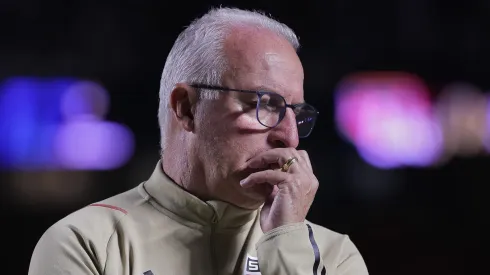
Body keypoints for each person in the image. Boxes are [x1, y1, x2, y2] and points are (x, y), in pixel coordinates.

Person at [28, 7, 368, 275]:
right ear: (187, 108)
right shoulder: (84, 244)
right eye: (263, 105)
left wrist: (286, 245)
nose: (290, 137)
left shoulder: (334, 257)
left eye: (296, 113)